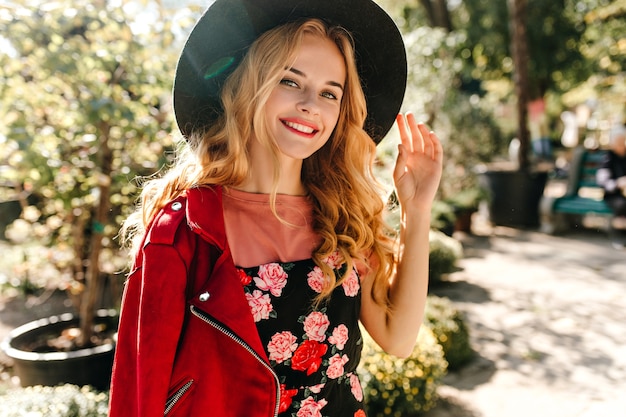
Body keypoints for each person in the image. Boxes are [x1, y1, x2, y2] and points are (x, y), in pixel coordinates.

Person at [108, 0, 443, 416]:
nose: (310, 104)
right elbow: (138, 391)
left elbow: (398, 338)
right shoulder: (183, 230)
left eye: (329, 93)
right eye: (290, 81)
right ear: (248, 86)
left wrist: (417, 209)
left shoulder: (344, 217)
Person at [597, 124, 626, 247]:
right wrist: (617, 183)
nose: (622, 145)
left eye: (623, 141)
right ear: (612, 143)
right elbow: (602, 182)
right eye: (619, 142)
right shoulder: (607, 159)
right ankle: (619, 237)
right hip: (613, 195)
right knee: (622, 205)